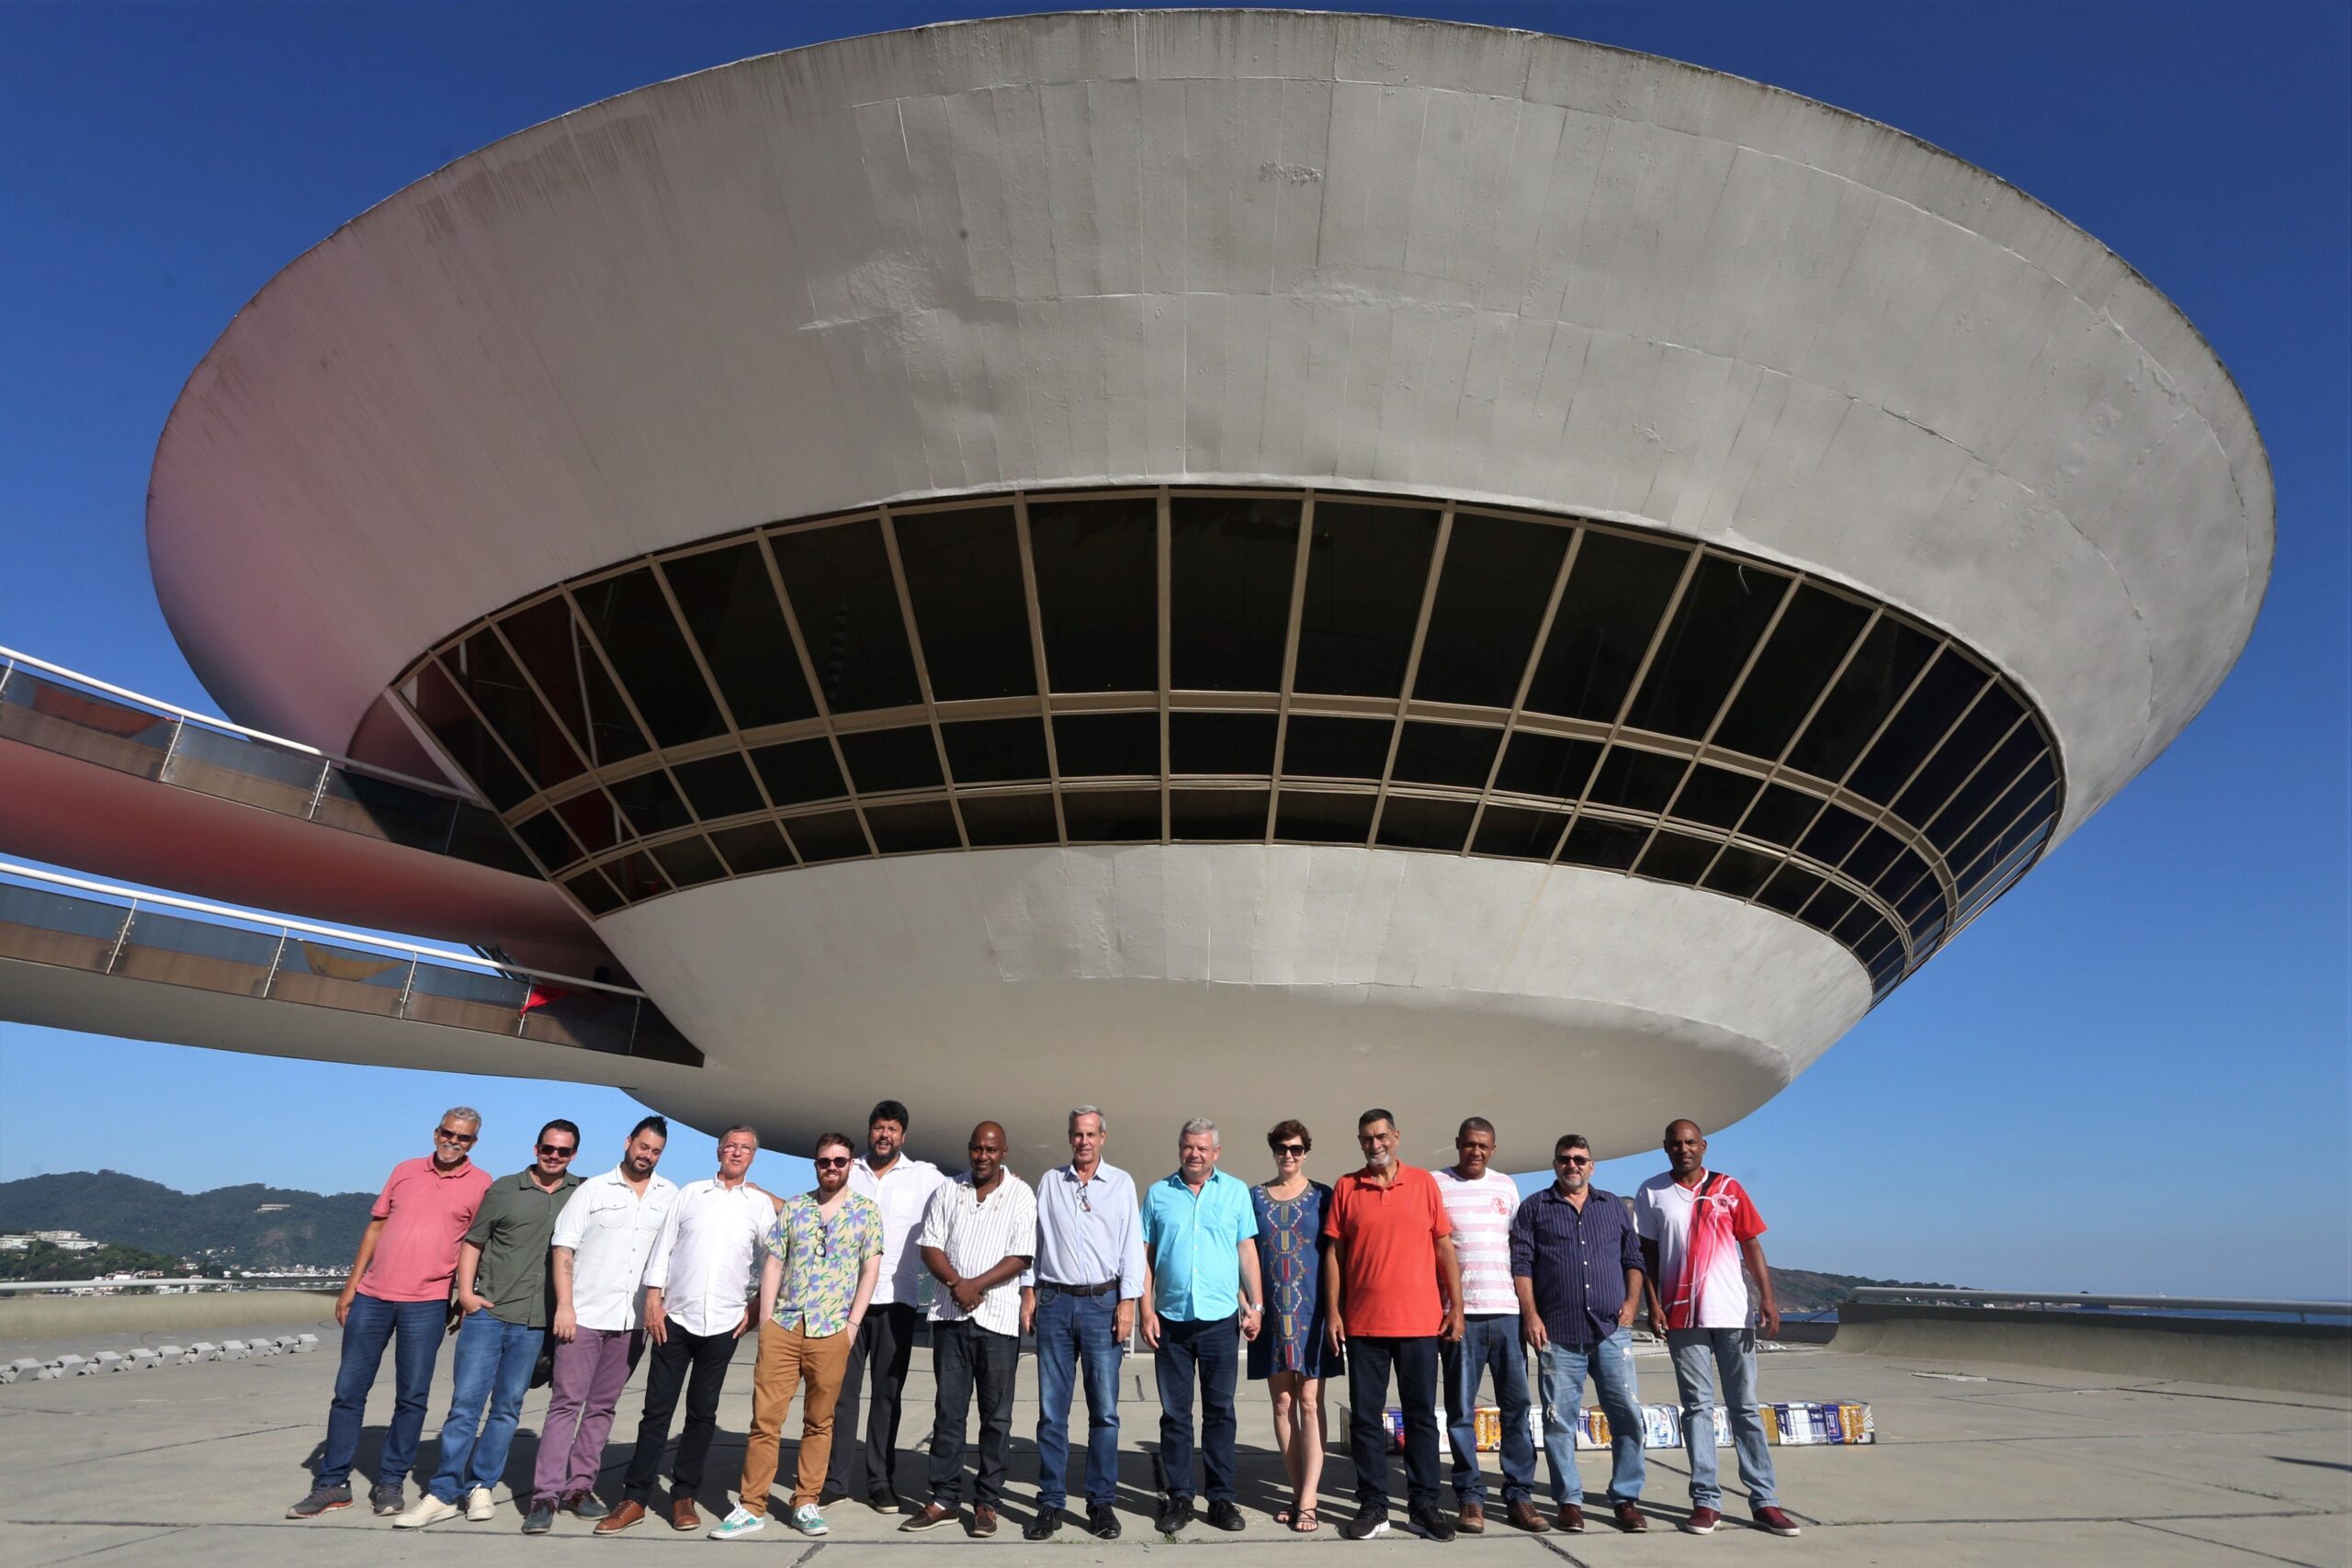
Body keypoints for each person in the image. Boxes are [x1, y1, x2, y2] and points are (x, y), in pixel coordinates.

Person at [287, 1109, 492, 1519]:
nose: (454, 1142)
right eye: (448, 1133)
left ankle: (391, 1481)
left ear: (474, 1142)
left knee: (412, 1398)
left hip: (428, 1302)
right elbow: (376, 1228)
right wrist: (350, 1288)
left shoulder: (482, 1185)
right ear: (436, 1133)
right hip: (372, 1297)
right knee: (348, 1393)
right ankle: (332, 1483)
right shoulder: (404, 1170)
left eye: (464, 1138)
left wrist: (462, 1295)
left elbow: (478, 1245)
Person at [397, 1120, 582, 1528]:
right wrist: (466, 1295)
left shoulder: (581, 1194)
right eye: (548, 1149)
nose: (554, 1157)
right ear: (536, 1149)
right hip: (489, 1314)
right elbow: (474, 1241)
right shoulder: (503, 1189)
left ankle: (482, 1486)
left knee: (506, 1410)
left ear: (573, 1156)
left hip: (536, 1323)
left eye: (563, 1152)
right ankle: (443, 1491)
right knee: (465, 1405)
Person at [597, 1125, 777, 1535]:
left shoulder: (759, 1206)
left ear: (752, 1157)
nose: (736, 1152)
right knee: (656, 1412)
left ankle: (683, 1496)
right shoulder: (691, 1194)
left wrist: (753, 1307)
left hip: (724, 1323)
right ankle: (635, 1497)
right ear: (718, 1151)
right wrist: (654, 1299)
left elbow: (772, 1260)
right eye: (730, 1146)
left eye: (745, 1148)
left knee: (702, 1414)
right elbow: (663, 1248)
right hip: (675, 1319)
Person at [710, 1134, 885, 1540]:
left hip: (831, 1329)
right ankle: (751, 1505)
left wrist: (853, 1324)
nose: (831, 1168)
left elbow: (870, 1269)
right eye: (824, 1161)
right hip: (786, 1326)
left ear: (850, 1164)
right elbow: (774, 1262)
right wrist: (767, 1319)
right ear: (815, 1164)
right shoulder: (796, 1207)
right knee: (764, 1421)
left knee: (820, 1422)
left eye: (839, 1161)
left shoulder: (866, 1212)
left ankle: (806, 1502)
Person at [1634, 1119, 1802, 1540]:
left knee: (1744, 1406)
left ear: (1704, 1146)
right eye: (1675, 1143)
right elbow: (1647, 1257)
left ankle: (1765, 1501)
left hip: (1731, 1314)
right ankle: (1706, 1501)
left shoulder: (1729, 1188)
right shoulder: (1651, 1191)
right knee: (1696, 1408)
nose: (1683, 1149)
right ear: (1666, 1147)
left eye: (1690, 1142)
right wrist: (1653, 1305)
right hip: (1682, 1315)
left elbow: (1751, 1244)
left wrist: (1767, 1297)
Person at [527, 1115, 677, 1534]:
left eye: (655, 1151)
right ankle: (544, 1495)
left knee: (602, 1408)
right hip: (585, 1316)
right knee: (565, 1405)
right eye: (642, 1146)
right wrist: (565, 1307)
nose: (646, 1155)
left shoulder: (670, 1195)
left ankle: (579, 1489)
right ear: (628, 1141)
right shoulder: (593, 1189)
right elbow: (563, 1248)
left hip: (631, 1323)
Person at [1323, 1108, 1463, 1542]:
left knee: (1421, 1418)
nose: (1374, 1144)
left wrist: (1455, 1307)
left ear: (1397, 1136)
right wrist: (1333, 1313)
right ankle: (1374, 1505)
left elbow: (1443, 1248)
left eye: (1381, 1136)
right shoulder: (1347, 1187)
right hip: (1364, 1327)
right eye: (1366, 1138)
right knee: (1366, 1419)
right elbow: (1334, 1257)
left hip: (1420, 1325)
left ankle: (1425, 1505)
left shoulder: (1424, 1184)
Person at [900, 1122, 1035, 1536]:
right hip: (950, 1318)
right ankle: (943, 1497)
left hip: (997, 1321)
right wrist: (959, 1286)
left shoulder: (1021, 1194)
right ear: (969, 1150)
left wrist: (975, 1286)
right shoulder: (948, 1191)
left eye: (991, 1150)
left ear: (1004, 1152)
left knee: (997, 1418)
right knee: (949, 1412)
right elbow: (930, 1245)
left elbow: (1022, 1255)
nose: (982, 1156)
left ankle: (987, 1503)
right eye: (977, 1149)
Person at [1511, 1134, 1646, 1534]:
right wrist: (1531, 1315)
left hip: (1611, 1331)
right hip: (1559, 1333)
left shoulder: (1614, 1208)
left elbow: (1633, 1258)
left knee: (1627, 1418)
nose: (1573, 1165)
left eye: (1580, 1159)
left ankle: (1626, 1498)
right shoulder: (1534, 1207)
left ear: (1592, 1165)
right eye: (1565, 1159)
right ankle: (1569, 1501)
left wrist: (1632, 1303)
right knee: (1558, 1422)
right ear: (1555, 1164)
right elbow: (1521, 1264)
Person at [1022, 1106, 1145, 1541]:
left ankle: (1101, 1503)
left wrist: (1127, 1302)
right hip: (1055, 1302)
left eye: (1091, 1134)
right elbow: (1034, 1239)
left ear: (1103, 1138)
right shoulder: (1051, 1182)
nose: (1084, 1142)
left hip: (1102, 1303)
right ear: (1069, 1137)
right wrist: (1029, 1292)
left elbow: (1133, 1246)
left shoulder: (1122, 1184)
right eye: (1077, 1134)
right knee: (1052, 1412)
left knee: (1104, 1412)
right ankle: (1051, 1502)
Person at [1140, 1118, 1262, 1536]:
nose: (1194, 1154)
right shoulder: (1158, 1194)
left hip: (1219, 1321)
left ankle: (1221, 1497)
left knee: (1220, 1413)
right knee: (1175, 1415)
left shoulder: (1234, 1193)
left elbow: (1246, 1250)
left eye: (1202, 1148)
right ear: (1179, 1148)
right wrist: (1146, 1309)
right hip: (1171, 1321)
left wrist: (1256, 1305)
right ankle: (1179, 1497)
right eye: (1187, 1147)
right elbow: (1146, 1256)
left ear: (1216, 1152)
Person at [828, 1098, 944, 1513]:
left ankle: (880, 1481)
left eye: (892, 1129)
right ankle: (835, 1480)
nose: (884, 1135)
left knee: (886, 1396)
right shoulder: (848, 1171)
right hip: (845, 1303)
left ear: (903, 1136)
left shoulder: (923, 1177)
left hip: (897, 1302)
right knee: (841, 1396)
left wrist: (1004, 1177)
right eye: (879, 1127)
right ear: (870, 1130)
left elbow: (960, 1191)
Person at [1434, 1117, 1544, 1535]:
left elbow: (1518, 1250)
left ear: (1492, 1149)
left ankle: (1519, 1496)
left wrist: (1530, 1310)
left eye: (1483, 1146)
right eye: (1468, 1145)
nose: (1475, 1152)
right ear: (1457, 1144)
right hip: (1461, 1317)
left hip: (1507, 1313)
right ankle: (1470, 1498)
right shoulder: (1437, 1183)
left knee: (1516, 1410)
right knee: (1461, 1412)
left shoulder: (1506, 1186)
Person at [1249, 1119, 1341, 1535]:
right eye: (1283, 1148)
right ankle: (1296, 1489)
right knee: (1283, 1404)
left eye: (1297, 1148)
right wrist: (1246, 1307)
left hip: (1312, 1313)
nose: (1290, 1155)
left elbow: (1337, 1255)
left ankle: (1309, 1499)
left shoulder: (1324, 1196)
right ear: (1273, 1150)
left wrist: (1339, 1311)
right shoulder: (1254, 1198)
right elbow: (1243, 1256)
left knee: (1309, 1402)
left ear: (1307, 1151)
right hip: (1271, 1316)